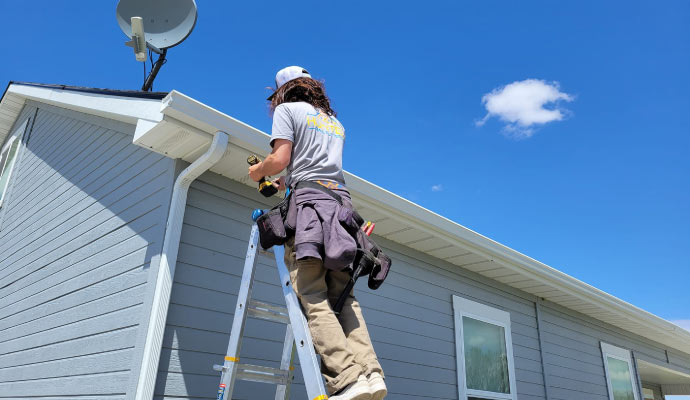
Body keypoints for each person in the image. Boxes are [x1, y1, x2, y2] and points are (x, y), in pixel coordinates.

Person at [248, 66, 387, 400]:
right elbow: (314, 168)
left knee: (312, 294)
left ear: (282, 91)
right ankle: (371, 374)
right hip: (341, 208)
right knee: (344, 298)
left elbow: (279, 158)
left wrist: (258, 171)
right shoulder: (333, 122)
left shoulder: (286, 110)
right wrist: (286, 182)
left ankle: (347, 379)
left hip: (311, 209)